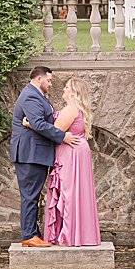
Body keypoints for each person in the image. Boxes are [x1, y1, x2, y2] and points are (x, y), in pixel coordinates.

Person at [10, 66, 81, 247]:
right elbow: (39, 124)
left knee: (32, 195)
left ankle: (33, 234)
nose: (51, 84)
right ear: (39, 79)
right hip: (30, 154)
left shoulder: (37, 96)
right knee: (30, 196)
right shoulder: (31, 96)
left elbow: (38, 123)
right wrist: (62, 136)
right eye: (49, 80)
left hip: (36, 153)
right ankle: (29, 235)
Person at [41, 77, 102, 246]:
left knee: (69, 193)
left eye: (67, 87)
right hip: (78, 151)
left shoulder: (70, 109)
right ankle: (79, 234)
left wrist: (32, 124)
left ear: (74, 93)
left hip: (70, 153)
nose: (63, 90)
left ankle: (68, 236)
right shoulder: (79, 109)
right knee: (77, 193)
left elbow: (55, 131)